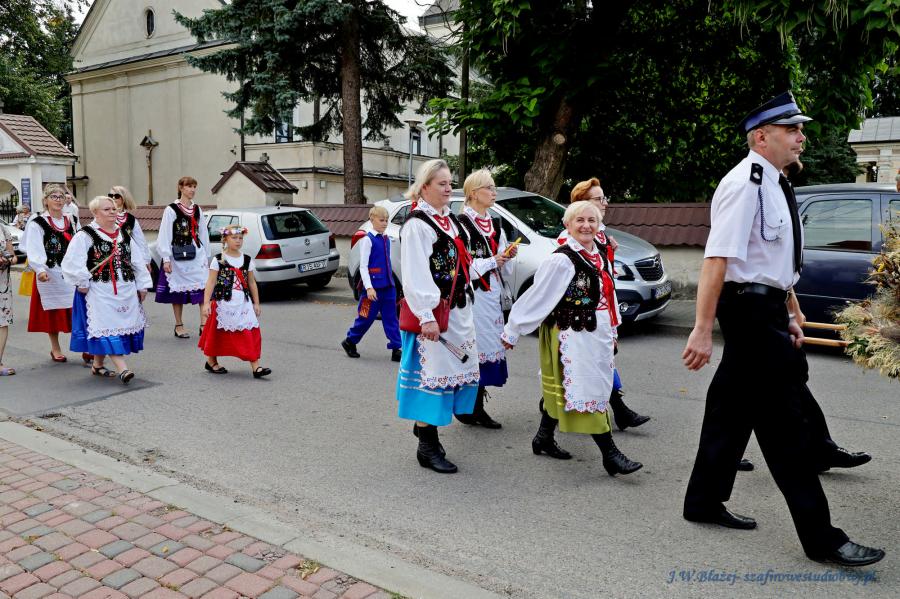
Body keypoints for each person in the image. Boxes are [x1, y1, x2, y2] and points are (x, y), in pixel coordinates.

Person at [681, 91, 884, 566]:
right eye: (791, 130)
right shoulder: (744, 184)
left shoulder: (776, 183)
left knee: (730, 410)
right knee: (784, 425)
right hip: (748, 313)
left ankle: (703, 501)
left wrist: (790, 309)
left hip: (767, 309)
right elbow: (718, 260)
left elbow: (773, 261)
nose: (801, 137)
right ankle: (822, 538)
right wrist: (702, 328)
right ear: (761, 137)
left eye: (800, 129)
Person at [502, 201, 642, 476]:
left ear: (599, 225)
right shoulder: (561, 260)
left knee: (570, 389)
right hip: (571, 335)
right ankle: (610, 455)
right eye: (580, 220)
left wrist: (613, 330)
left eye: (592, 220)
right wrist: (513, 329)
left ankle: (543, 437)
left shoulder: (599, 254)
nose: (586, 226)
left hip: (597, 333)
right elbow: (538, 296)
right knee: (586, 390)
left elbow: (609, 296)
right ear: (567, 225)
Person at [396, 159, 480, 474]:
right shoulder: (418, 225)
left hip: (457, 311)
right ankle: (427, 447)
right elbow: (415, 274)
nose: (448, 189)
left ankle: (426, 432)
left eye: (450, 183)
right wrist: (426, 316)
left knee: (452, 374)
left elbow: (464, 265)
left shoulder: (451, 221)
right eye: (442, 184)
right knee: (431, 379)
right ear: (424, 187)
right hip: (434, 316)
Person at [558, 178, 651, 431]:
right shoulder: (570, 238)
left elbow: (603, 277)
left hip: (601, 314)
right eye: (599, 199)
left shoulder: (599, 234)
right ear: (582, 203)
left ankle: (617, 414)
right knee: (585, 372)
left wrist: (610, 253)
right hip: (579, 319)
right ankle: (617, 417)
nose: (605, 203)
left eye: (604, 198)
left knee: (593, 369)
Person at [62, 196, 151, 384]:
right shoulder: (85, 235)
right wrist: (82, 281)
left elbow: (136, 261)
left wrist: (142, 284)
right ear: (95, 213)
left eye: (113, 209)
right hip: (99, 291)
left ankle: (97, 365)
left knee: (109, 329)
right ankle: (123, 368)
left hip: (125, 289)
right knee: (106, 327)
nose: (112, 212)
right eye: (106, 209)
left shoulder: (123, 234)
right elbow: (72, 262)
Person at [453, 169, 516, 429]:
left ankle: (475, 406)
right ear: (473, 193)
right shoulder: (461, 224)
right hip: (473, 297)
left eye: (493, 187)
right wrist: (493, 261)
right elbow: (462, 266)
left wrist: (507, 257)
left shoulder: (495, 224)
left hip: (491, 297)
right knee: (473, 350)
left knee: (487, 349)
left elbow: (503, 267)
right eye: (489, 188)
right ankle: (467, 407)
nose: (494, 192)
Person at [198, 224, 270, 378]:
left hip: (243, 303)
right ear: (225, 239)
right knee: (218, 334)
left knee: (248, 332)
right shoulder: (218, 260)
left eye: (240, 238)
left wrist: (256, 303)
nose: (238, 241)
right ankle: (211, 361)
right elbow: (211, 282)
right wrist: (206, 303)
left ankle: (256, 367)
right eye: (234, 238)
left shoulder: (247, 259)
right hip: (223, 303)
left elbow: (251, 283)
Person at [24, 184, 79, 362]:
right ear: (45, 200)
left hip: (71, 272)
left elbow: (80, 243)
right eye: (53, 196)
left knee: (80, 310)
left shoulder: (72, 219)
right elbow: (33, 247)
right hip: (50, 273)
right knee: (53, 311)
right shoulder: (38, 222)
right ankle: (55, 348)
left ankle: (86, 346)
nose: (58, 200)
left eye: (61, 196)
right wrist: (39, 269)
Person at [341, 205, 402, 361]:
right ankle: (350, 341)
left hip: (388, 287)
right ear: (372, 220)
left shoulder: (386, 239)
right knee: (365, 317)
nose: (385, 223)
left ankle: (396, 348)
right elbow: (363, 266)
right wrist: (369, 288)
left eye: (386, 220)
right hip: (372, 289)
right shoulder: (368, 240)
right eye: (381, 220)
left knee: (391, 318)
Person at [155, 176, 209, 339]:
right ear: (181, 188)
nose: (192, 190)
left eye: (194, 186)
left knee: (203, 288)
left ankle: (203, 325)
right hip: (177, 254)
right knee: (177, 291)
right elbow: (165, 234)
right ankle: (179, 325)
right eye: (189, 186)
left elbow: (203, 233)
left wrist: (206, 256)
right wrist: (166, 258)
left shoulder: (197, 209)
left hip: (196, 254)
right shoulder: (171, 209)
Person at [109, 185, 150, 270]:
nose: (113, 198)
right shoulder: (104, 216)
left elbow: (140, 241)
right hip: (108, 255)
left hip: (126, 258)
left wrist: (145, 260)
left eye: (116, 196)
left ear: (123, 198)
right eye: (110, 195)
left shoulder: (131, 219)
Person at [0, 223, 16, 375]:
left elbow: (12, 255)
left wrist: (9, 259)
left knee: (2, 321)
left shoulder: (3, 228)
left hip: (2, 284)